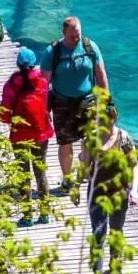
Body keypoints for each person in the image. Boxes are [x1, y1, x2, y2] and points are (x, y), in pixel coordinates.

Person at [40, 15, 107, 190]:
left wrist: (106, 101)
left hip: (87, 100)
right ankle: (67, 178)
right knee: (65, 142)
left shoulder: (90, 48)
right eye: (71, 36)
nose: (75, 39)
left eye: (77, 34)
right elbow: (44, 84)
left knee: (90, 138)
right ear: (63, 33)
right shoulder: (52, 52)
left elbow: (101, 75)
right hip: (61, 102)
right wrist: (44, 108)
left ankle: (82, 175)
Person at [85, 104, 138, 274]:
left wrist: (134, 191)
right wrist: (76, 186)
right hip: (97, 193)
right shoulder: (91, 138)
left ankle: (115, 266)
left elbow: (134, 166)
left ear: (115, 118)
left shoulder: (124, 138)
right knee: (98, 232)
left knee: (116, 229)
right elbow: (84, 166)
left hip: (120, 193)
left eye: (109, 119)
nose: (105, 122)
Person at [0, 46, 53, 221]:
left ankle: (27, 215)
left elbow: (4, 114)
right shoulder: (42, 82)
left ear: (18, 64)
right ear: (35, 64)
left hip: (19, 136)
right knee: (40, 172)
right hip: (40, 134)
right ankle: (45, 213)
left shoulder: (11, 84)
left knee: (24, 174)